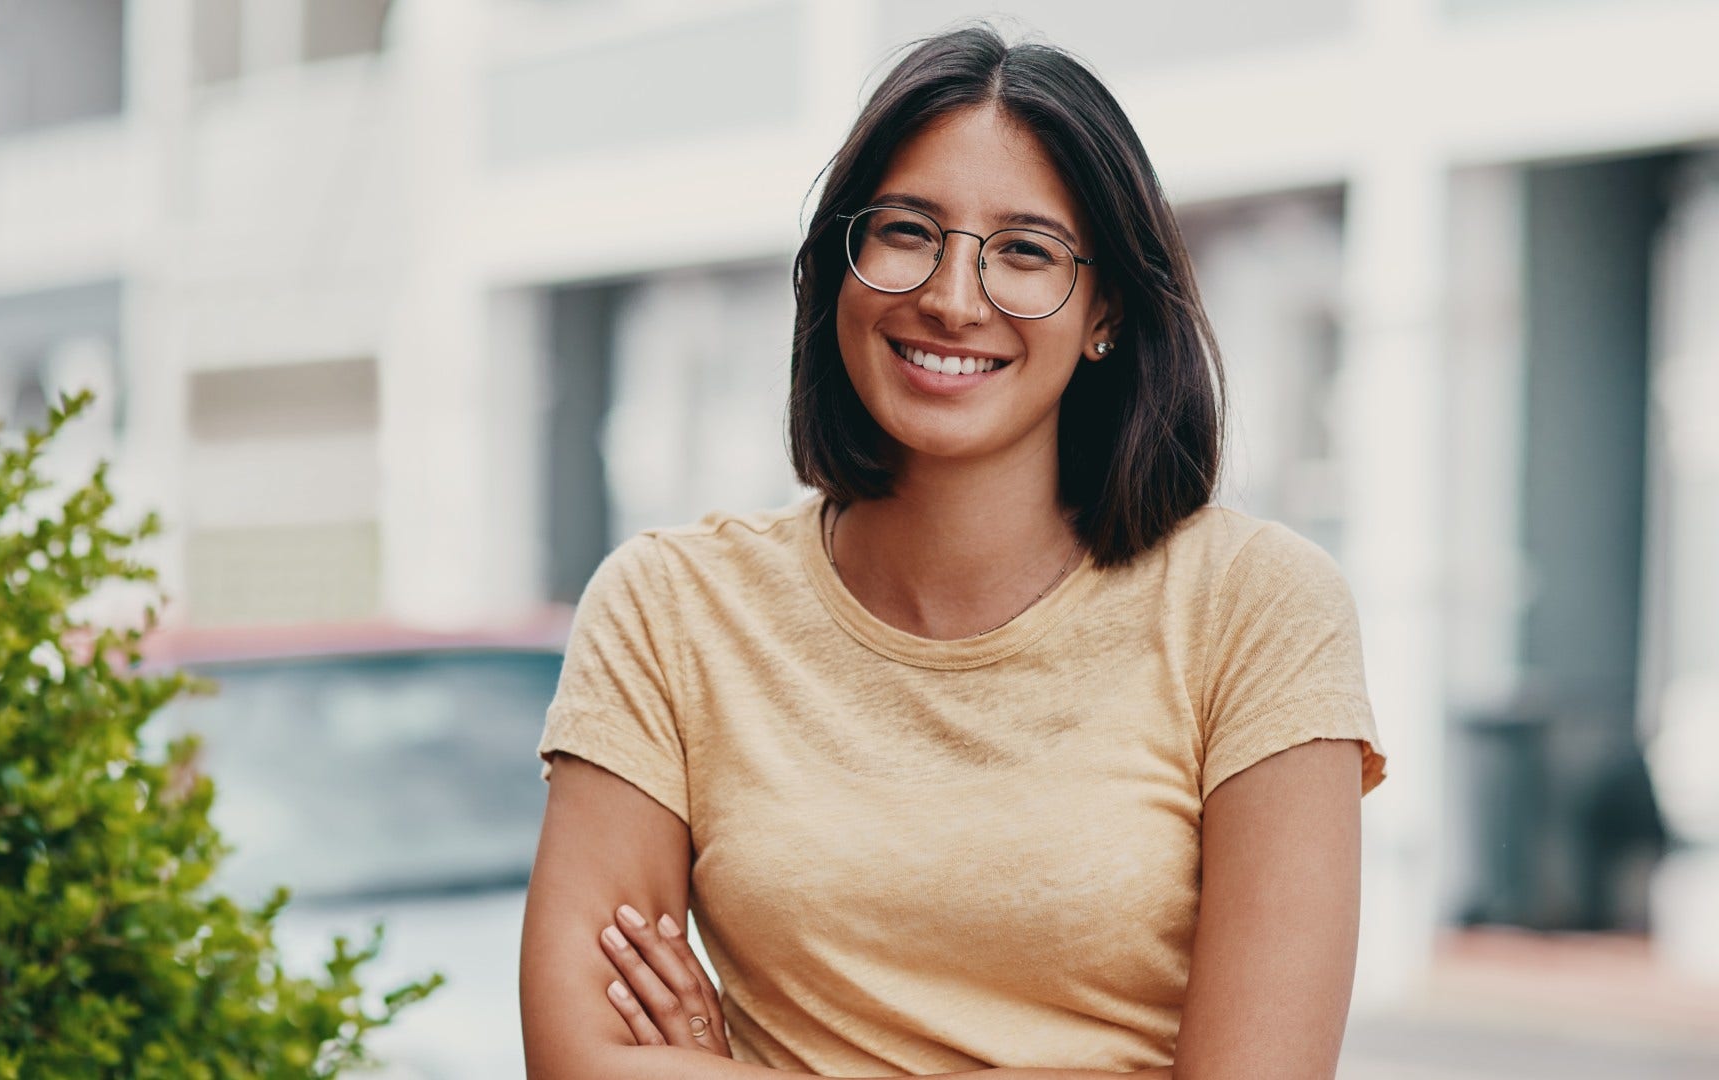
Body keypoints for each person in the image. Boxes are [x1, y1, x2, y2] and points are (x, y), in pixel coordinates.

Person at [519, 24, 1387, 1080]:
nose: (952, 296)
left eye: (1025, 251)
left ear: (1105, 307)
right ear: (837, 262)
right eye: (905, 231)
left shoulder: (1257, 610)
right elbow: (580, 1058)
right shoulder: (668, 608)